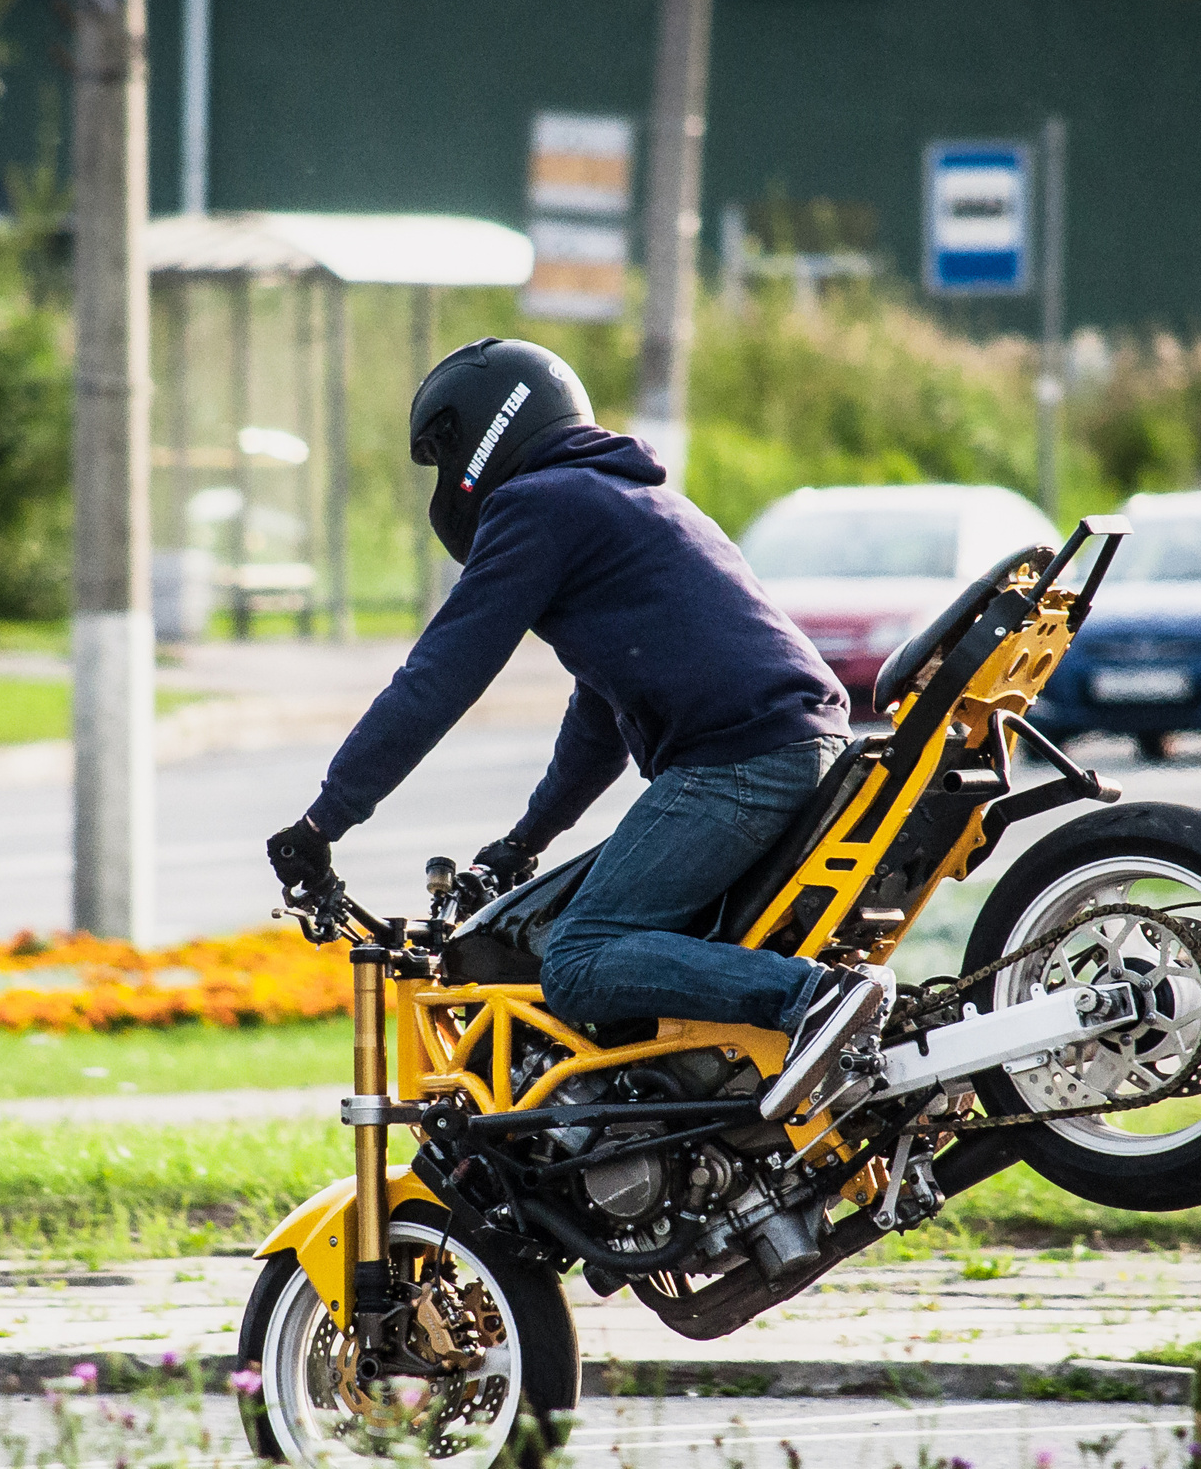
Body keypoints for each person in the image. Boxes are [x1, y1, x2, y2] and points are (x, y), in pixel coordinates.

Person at [265, 337, 894, 1121]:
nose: (446, 483)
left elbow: (439, 676)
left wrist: (325, 818)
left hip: (742, 761)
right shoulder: (618, 495)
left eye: (443, 457)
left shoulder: (540, 504)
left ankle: (818, 1001)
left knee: (580, 956)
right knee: (574, 930)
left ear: (482, 436)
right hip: (790, 749)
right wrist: (528, 838)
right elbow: (599, 711)